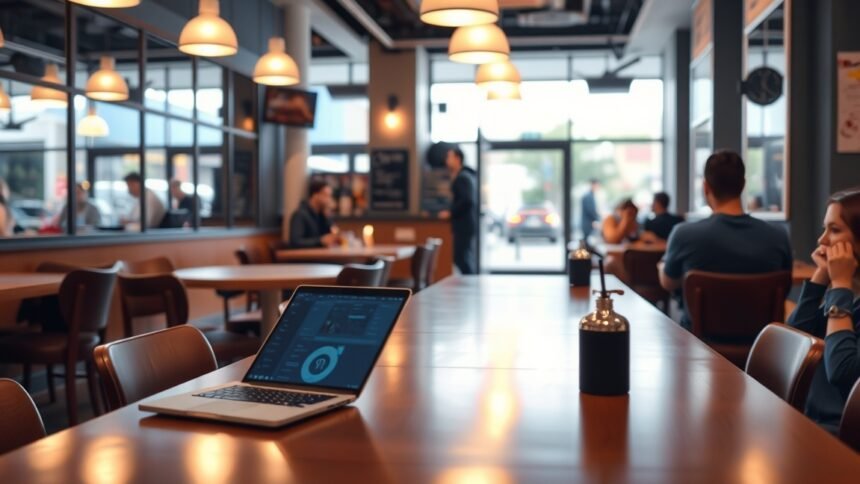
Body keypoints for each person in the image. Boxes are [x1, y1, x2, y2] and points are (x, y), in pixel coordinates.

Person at [659, 150, 792, 329]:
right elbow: (784, 289)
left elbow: (669, 282)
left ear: (706, 187)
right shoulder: (778, 236)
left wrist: (662, 266)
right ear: (743, 185)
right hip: (760, 345)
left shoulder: (684, 234)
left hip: (699, 345)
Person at [787, 188, 860, 434]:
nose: (822, 240)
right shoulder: (852, 296)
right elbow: (793, 342)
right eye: (824, 228)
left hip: (841, 435)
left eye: (835, 230)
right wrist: (820, 279)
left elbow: (843, 371)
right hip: (809, 422)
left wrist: (840, 285)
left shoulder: (845, 294)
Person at [439, 146, 478, 275]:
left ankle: (471, 284)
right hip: (467, 224)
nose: (446, 160)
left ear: (457, 159)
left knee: (461, 258)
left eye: (449, 157)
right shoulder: (467, 175)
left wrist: (451, 212)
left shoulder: (462, 178)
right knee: (464, 257)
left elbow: (467, 200)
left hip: (463, 225)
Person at [289, 179, 340, 248]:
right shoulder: (300, 215)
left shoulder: (322, 215)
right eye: (326, 195)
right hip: (306, 257)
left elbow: (333, 233)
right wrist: (320, 241)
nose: (329, 200)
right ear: (315, 195)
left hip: (320, 256)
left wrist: (327, 217)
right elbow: (295, 242)